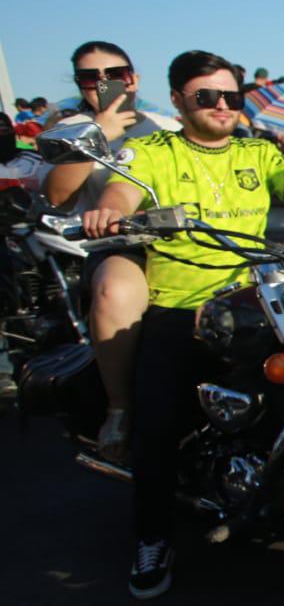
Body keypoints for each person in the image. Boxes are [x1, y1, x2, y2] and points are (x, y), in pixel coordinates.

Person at [80, 50, 284, 599]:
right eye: (208, 96)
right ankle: (152, 538)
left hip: (259, 296)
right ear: (180, 99)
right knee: (157, 420)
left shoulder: (257, 150)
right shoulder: (153, 152)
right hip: (181, 306)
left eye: (233, 96)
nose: (223, 106)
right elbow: (121, 189)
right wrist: (109, 209)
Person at [41, 41, 164, 460]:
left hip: (182, 243)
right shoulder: (68, 128)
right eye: (91, 77)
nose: (104, 84)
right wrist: (99, 135)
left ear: (135, 78)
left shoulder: (163, 125)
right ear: (79, 83)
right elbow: (56, 193)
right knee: (117, 292)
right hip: (119, 246)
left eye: (116, 73)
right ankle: (119, 407)